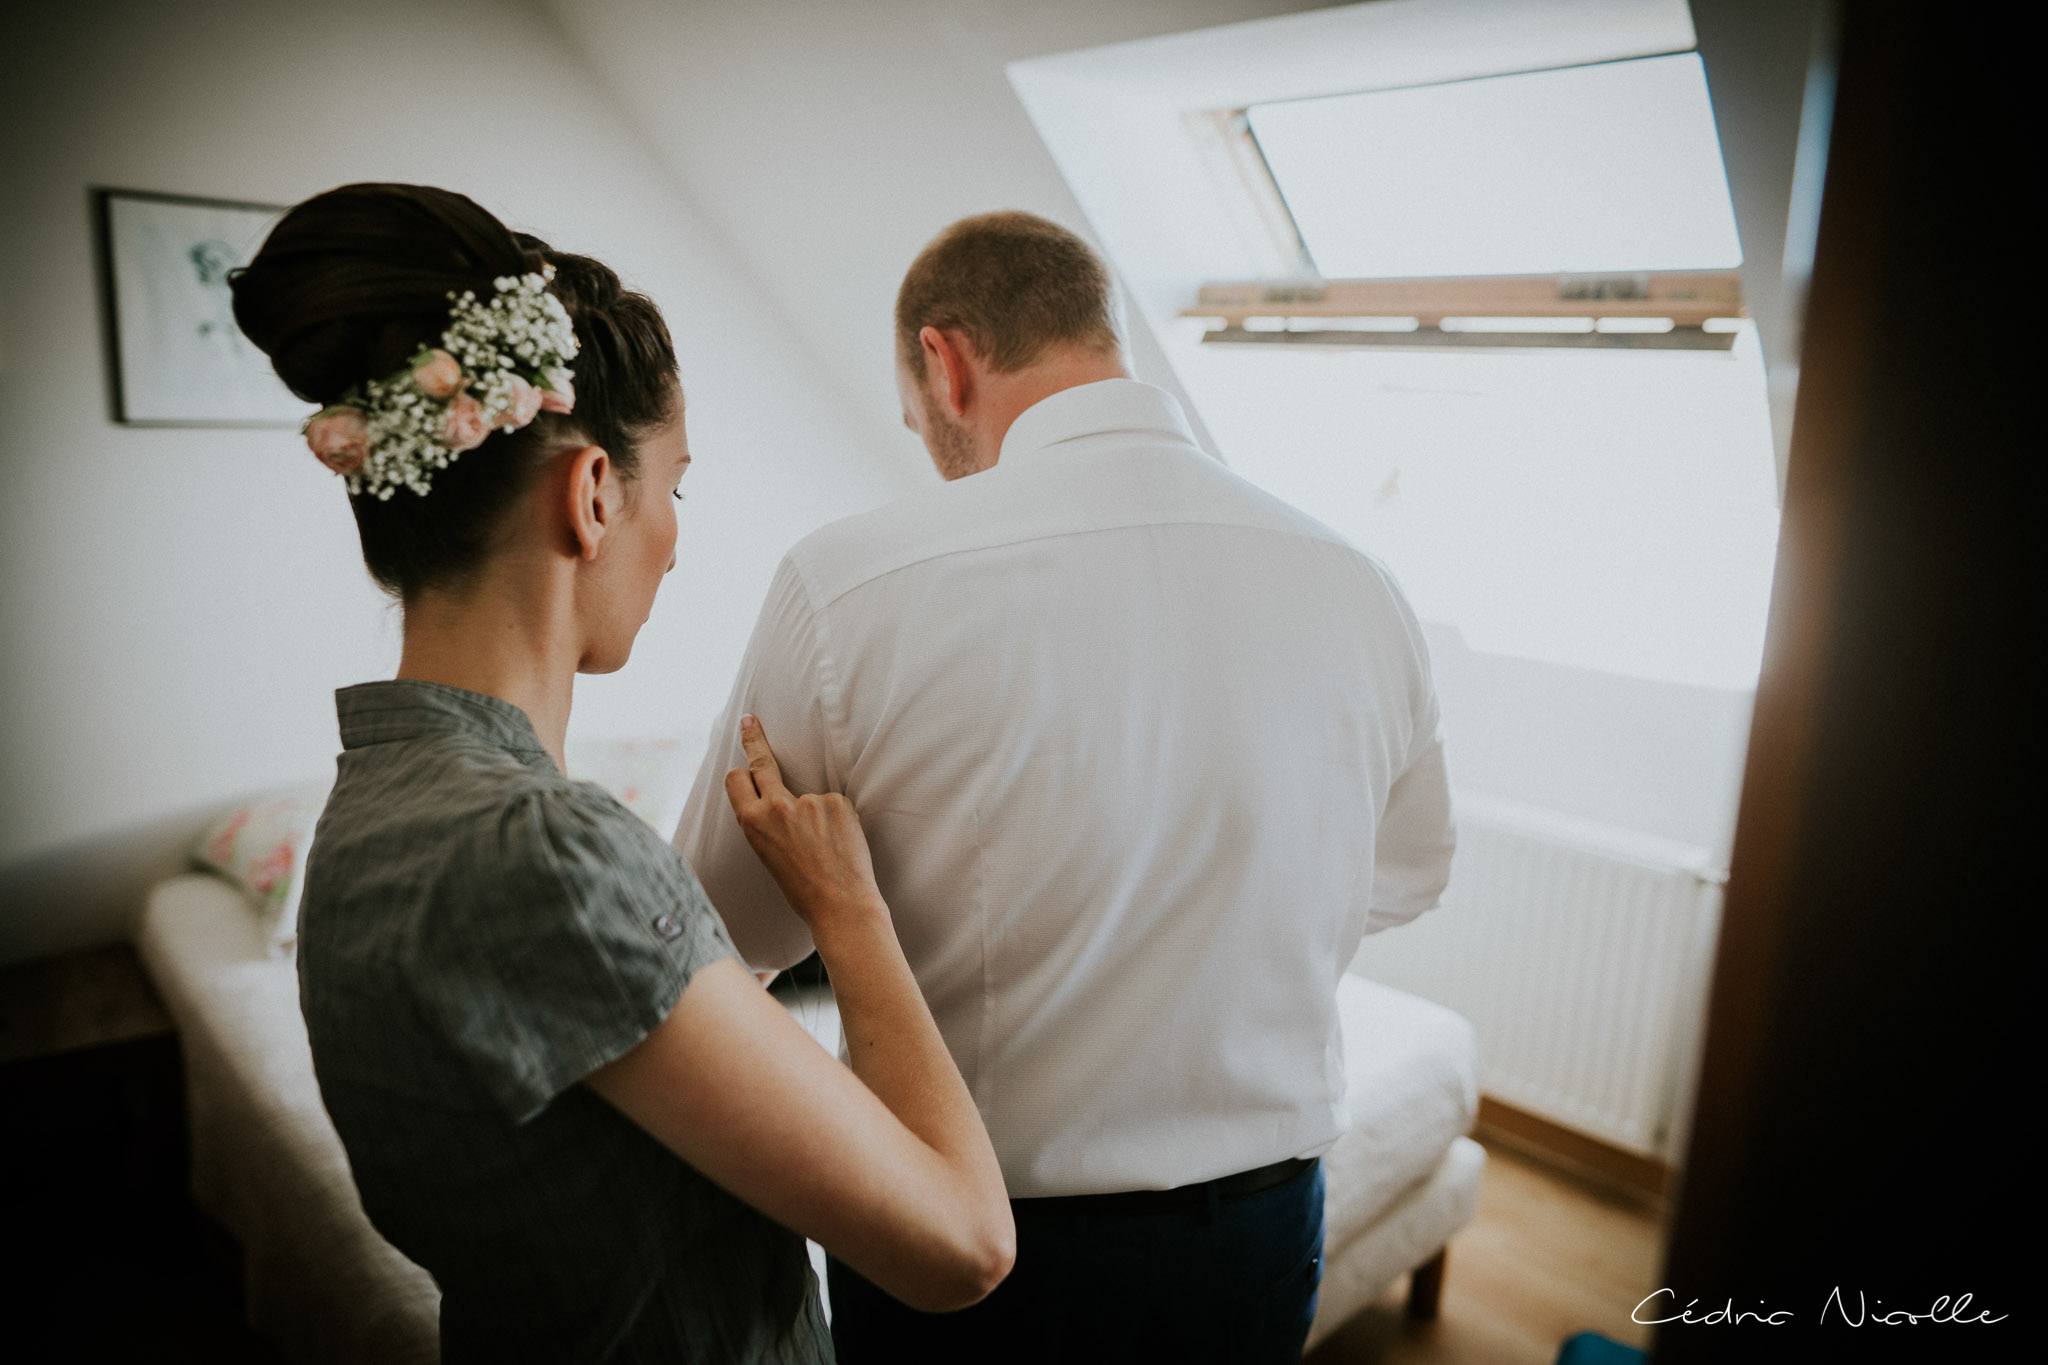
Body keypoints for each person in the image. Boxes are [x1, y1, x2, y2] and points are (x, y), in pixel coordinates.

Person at [229, 183, 1013, 1364]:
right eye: (676, 484)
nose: (678, 532)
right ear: (593, 495)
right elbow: (960, 1245)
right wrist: (848, 911)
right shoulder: (540, 850)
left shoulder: (371, 813)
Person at [672, 210, 1456, 1362]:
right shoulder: (1358, 582)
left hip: (969, 1236)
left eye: (912, 421)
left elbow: (715, 928)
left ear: (944, 362)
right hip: (1262, 1230)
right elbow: (1407, 873)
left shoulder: (850, 584)